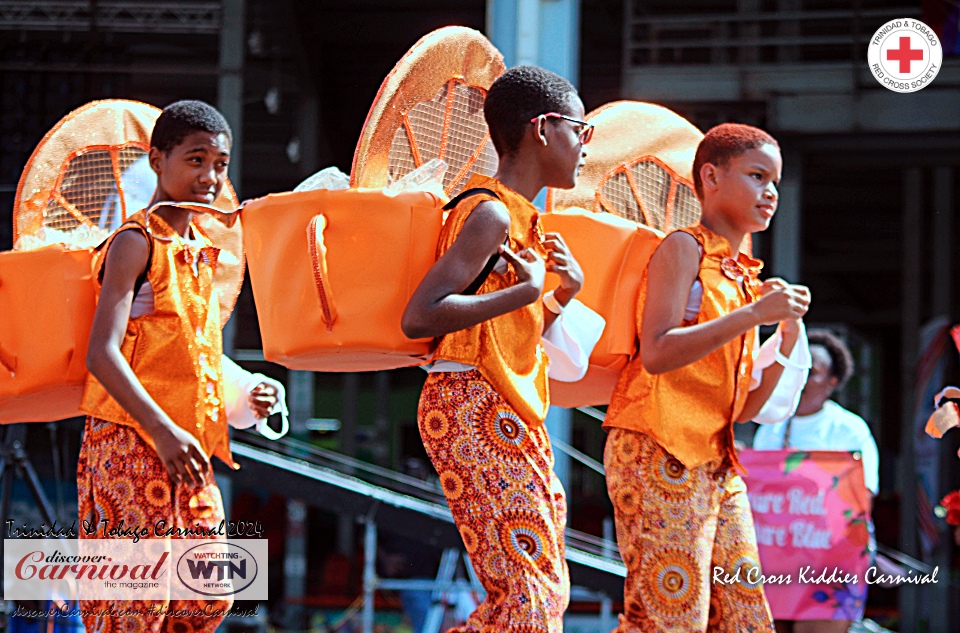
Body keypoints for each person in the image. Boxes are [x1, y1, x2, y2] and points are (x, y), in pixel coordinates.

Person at [401, 65, 591, 632]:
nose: (584, 145)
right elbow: (421, 316)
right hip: (471, 404)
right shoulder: (491, 212)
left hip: (508, 409)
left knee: (540, 594)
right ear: (542, 128)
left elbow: (507, 336)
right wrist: (530, 291)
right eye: (580, 129)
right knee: (528, 601)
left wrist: (556, 298)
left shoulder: (525, 217)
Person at [602, 123, 812, 632]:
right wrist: (750, 319)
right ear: (711, 176)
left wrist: (785, 335)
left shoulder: (747, 279)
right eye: (757, 175)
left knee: (744, 620)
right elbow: (655, 353)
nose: (770, 193)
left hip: (717, 463)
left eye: (776, 182)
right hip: (655, 447)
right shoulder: (683, 249)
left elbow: (747, 409)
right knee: (671, 618)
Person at [79, 100, 278, 633]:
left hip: (186, 446)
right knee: (132, 607)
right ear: (156, 159)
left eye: (220, 162)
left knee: (207, 595)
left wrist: (248, 393)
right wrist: (162, 432)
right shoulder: (133, 241)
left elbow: (193, 351)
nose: (210, 176)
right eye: (195, 159)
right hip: (130, 439)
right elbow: (102, 352)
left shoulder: (202, 252)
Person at [753, 328, 880, 633]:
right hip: (773, 564)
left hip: (830, 565)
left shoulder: (850, 429)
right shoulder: (769, 427)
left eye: (813, 372)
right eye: (799, 370)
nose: (803, 379)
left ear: (833, 382)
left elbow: (862, 499)